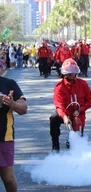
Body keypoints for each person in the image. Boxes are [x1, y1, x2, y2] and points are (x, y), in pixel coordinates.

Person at [49, 58, 91, 151]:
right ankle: (55, 145)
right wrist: (64, 117)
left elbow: (90, 100)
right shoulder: (59, 86)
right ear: (64, 73)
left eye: (73, 72)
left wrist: (80, 110)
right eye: (68, 72)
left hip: (78, 114)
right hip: (65, 113)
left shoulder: (83, 84)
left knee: (77, 143)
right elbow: (58, 105)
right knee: (53, 118)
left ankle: (72, 140)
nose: (71, 74)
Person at [0, 62, 27, 192]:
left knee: (8, 178)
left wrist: (12, 104)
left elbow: (23, 109)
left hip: (4, 137)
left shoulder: (9, 84)